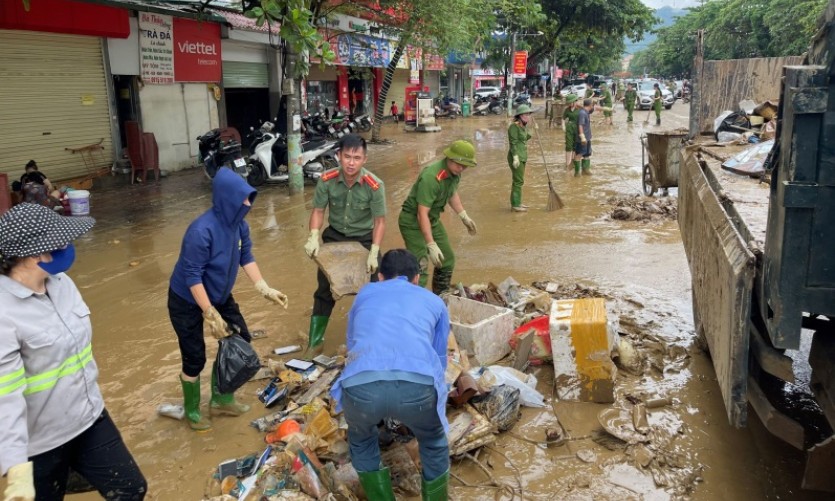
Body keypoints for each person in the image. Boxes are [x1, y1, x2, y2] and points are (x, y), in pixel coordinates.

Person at [0, 203, 147, 500]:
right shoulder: (5, 313)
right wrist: (15, 467)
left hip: (90, 418)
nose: (69, 246)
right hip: (41, 442)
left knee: (131, 489)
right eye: (61, 241)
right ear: (34, 252)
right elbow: (6, 396)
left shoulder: (62, 284)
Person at [169, 167, 288, 431]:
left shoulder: (240, 226)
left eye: (249, 197)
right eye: (243, 198)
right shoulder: (201, 231)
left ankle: (221, 398)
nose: (248, 203)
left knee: (239, 339)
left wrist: (264, 288)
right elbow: (192, 276)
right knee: (194, 357)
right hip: (187, 298)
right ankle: (192, 410)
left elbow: (246, 256)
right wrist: (210, 314)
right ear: (226, 199)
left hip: (220, 294)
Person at [330, 249, 450, 501]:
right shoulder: (435, 301)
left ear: (380, 277)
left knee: (361, 440)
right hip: (417, 388)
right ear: (417, 278)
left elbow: (352, 346)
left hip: (360, 388)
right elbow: (439, 360)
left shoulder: (364, 294)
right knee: (433, 440)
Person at [302, 134, 386, 358]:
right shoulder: (327, 179)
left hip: (365, 239)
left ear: (364, 159)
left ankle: (373, 338)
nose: (351, 162)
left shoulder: (375, 185)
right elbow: (318, 211)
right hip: (335, 237)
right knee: (324, 288)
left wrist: (374, 252)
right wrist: (313, 236)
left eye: (356, 158)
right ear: (338, 156)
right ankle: (315, 342)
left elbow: (380, 222)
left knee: (377, 287)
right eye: (346, 156)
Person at [398, 140, 477, 294]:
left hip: (432, 220)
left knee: (447, 259)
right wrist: (431, 244)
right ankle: (414, 304)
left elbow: (451, 193)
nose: (461, 168)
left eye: (465, 166)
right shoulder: (431, 177)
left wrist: (463, 215)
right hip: (412, 222)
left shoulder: (454, 173)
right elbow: (422, 213)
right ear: (449, 158)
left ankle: (439, 297)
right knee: (420, 267)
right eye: (459, 164)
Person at [507, 104, 533, 212]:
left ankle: (518, 202)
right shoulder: (514, 127)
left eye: (528, 114)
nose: (528, 116)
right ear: (520, 116)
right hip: (516, 156)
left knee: (520, 180)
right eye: (526, 114)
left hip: (523, 156)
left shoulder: (523, 126)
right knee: (518, 181)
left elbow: (524, 139)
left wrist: (532, 129)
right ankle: (515, 205)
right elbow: (513, 143)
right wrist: (515, 157)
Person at [574, 98, 594, 176]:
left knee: (587, 154)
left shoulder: (586, 112)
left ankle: (585, 170)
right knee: (579, 154)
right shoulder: (582, 113)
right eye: (592, 105)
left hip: (588, 137)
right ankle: (577, 173)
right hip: (583, 139)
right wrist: (582, 137)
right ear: (590, 105)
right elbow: (580, 125)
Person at [563, 95, 580, 169]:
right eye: (569, 103)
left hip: (578, 128)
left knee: (575, 146)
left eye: (571, 102)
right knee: (568, 146)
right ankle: (567, 164)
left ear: (574, 101)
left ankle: (573, 162)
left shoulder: (580, 109)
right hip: (569, 128)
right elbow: (563, 119)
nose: (570, 104)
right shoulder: (567, 110)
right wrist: (563, 127)